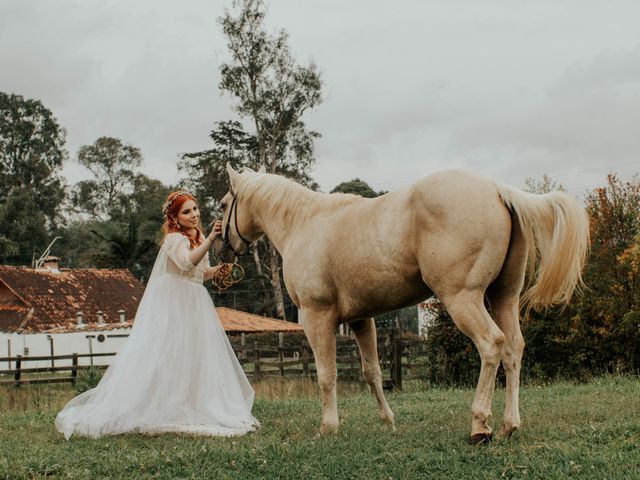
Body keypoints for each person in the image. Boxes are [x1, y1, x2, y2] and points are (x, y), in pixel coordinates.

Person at [56, 191, 259, 439]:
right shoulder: (174, 239)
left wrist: (220, 269)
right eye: (187, 211)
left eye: (195, 209)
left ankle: (192, 403)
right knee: (169, 351)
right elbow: (186, 264)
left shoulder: (199, 236)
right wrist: (213, 238)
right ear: (175, 217)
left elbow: (201, 272)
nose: (194, 215)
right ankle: (162, 404)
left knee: (194, 353)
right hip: (175, 301)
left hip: (195, 300)